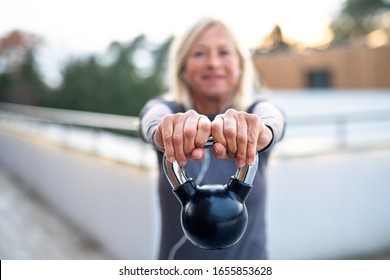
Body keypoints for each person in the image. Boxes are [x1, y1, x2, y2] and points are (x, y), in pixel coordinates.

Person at [139, 17, 285, 260]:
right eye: (199, 54)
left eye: (224, 52)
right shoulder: (167, 109)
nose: (213, 63)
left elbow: (273, 117)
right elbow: (151, 118)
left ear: (240, 66)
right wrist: (163, 131)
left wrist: (262, 132)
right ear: (182, 67)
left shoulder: (256, 110)